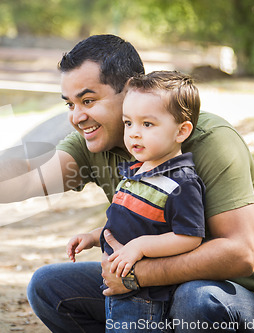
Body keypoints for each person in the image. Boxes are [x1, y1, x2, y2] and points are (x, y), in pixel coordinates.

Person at [0, 34, 254, 332]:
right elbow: (32, 177)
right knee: (48, 287)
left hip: (245, 303)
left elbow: (239, 254)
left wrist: (135, 276)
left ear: (130, 90)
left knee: (195, 300)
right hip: (154, 293)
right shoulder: (94, 142)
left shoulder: (206, 140)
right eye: (69, 104)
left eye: (88, 100)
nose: (77, 116)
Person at [66, 71, 206, 332]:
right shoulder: (135, 171)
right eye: (128, 123)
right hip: (117, 287)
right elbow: (130, 223)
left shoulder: (180, 182)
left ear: (181, 131)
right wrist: (95, 236)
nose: (134, 134)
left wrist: (141, 246)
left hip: (145, 296)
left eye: (147, 124)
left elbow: (190, 237)